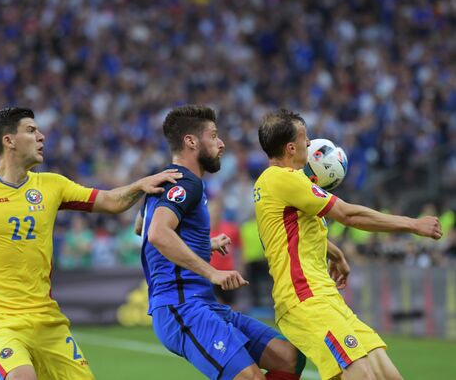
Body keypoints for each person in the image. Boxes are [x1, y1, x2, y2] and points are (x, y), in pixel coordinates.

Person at [0, 107, 182, 380]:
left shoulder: (52, 185)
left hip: (47, 321)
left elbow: (110, 201)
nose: (41, 136)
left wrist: (141, 185)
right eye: (31, 130)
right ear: (9, 140)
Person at [254, 109, 442, 380]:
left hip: (326, 296)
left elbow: (291, 234)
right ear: (291, 147)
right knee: (361, 374)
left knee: (387, 374)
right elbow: (347, 214)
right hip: (304, 298)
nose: (310, 143)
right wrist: (412, 224)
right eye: (305, 138)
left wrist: (335, 252)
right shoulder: (282, 178)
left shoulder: (280, 185)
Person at [136, 105, 305, 380]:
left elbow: (141, 226)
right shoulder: (187, 184)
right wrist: (212, 271)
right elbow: (156, 233)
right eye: (213, 136)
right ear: (191, 141)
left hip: (204, 304)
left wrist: (204, 243)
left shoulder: (165, 180)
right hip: (182, 308)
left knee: (289, 358)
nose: (221, 143)